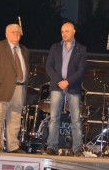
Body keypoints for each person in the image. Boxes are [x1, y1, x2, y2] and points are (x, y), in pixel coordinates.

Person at [0, 23, 29, 153]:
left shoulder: (24, 50)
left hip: (19, 89)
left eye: (17, 32)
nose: (16, 34)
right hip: (0, 90)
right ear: (6, 34)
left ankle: (13, 146)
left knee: (15, 119)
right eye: (12, 32)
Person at [45, 22, 87, 157]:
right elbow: (49, 66)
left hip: (73, 87)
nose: (64, 34)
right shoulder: (55, 47)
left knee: (75, 119)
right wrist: (59, 81)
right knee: (54, 117)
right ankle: (52, 146)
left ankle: (77, 149)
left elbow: (81, 70)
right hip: (57, 87)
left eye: (67, 31)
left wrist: (68, 81)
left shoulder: (81, 49)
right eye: (62, 31)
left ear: (73, 32)